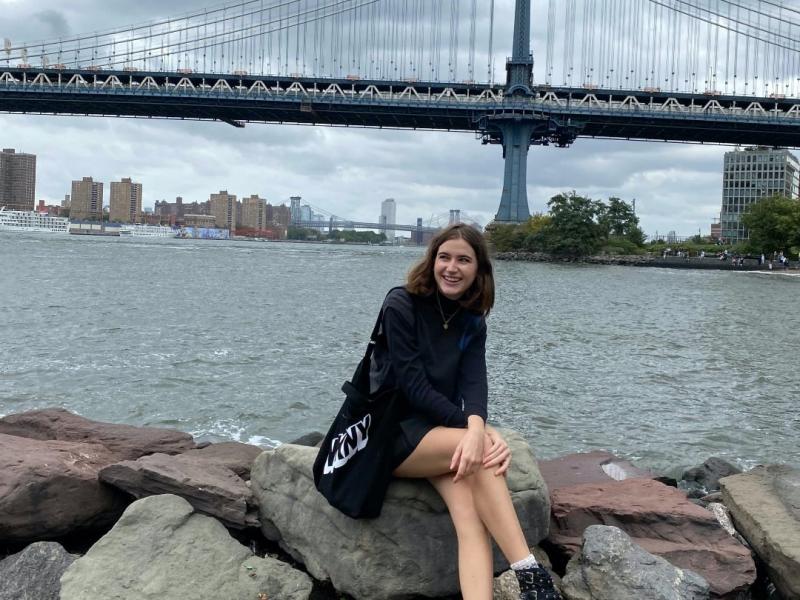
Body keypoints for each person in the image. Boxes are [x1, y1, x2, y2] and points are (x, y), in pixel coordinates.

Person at [369, 223, 560, 600]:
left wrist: (477, 424)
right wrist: (480, 434)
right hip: (389, 432)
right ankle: (533, 578)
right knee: (487, 457)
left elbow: (475, 383)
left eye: (463, 260)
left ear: (478, 269)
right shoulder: (401, 304)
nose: (451, 267)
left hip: (437, 435)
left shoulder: (471, 317)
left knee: (472, 520)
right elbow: (413, 387)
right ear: (432, 261)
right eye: (444, 257)